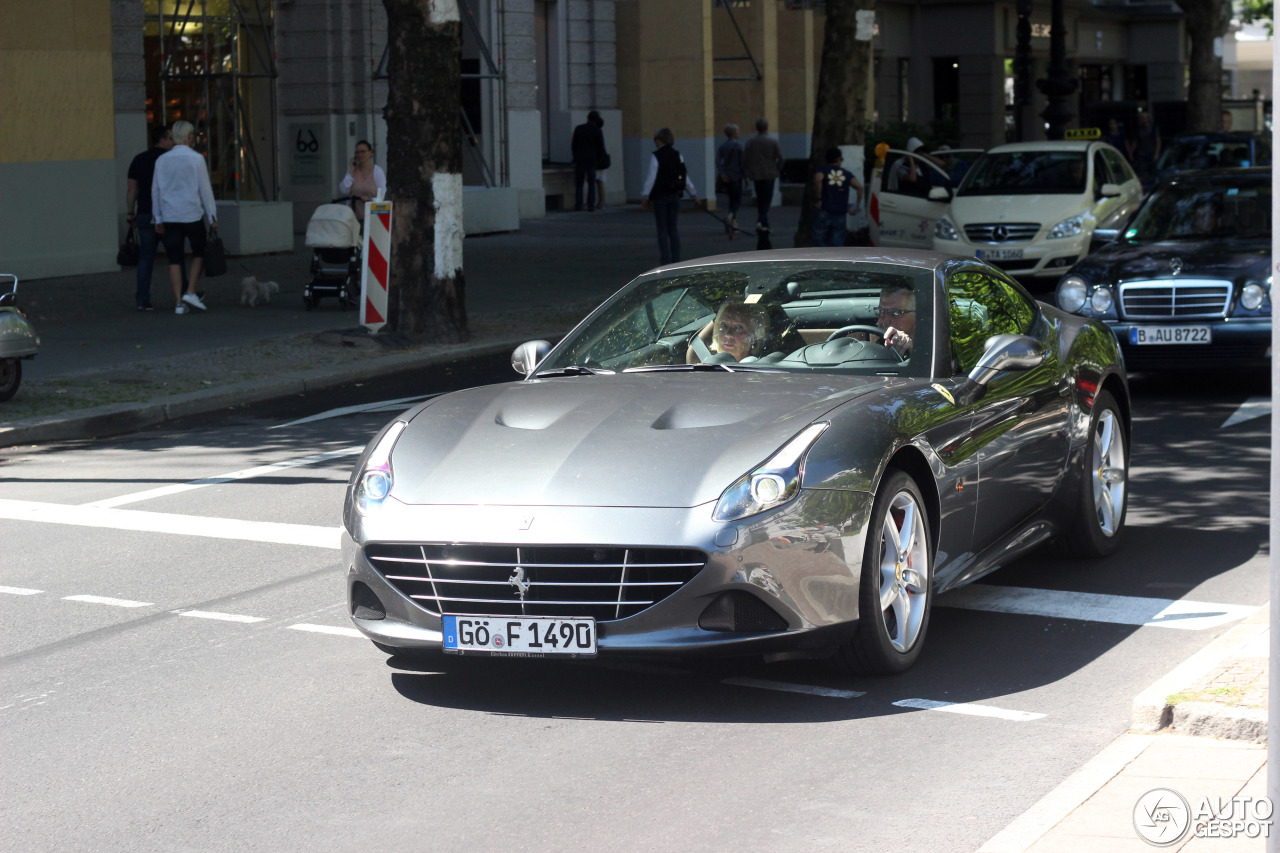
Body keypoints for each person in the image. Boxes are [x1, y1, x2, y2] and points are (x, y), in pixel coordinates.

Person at [152, 120, 218, 315]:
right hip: (191, 213)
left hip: (170, 214)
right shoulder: (196, 159)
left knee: (174, 258)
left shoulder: (162, 160)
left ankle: (179, 302)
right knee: (199, 252)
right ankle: (190, 291)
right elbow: (205, 190)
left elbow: (155, 190)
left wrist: (157, 218)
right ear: (189, 137)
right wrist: (212, 215)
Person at [125, 125, 175, 311]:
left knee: (146, 259)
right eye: (171, 138)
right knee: (175, 257)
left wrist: (130, 213)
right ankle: (185, 292)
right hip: (168, 214)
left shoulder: (139, 159)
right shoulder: (169, 160)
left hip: (145, 213)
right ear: (163, 139)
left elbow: (132, 190)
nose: (173, 142)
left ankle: (142, 300)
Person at [641, 127, 697, 266]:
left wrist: (645, 195)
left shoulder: (656, 156)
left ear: (660, 140)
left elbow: (651, 178)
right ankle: (676, 259)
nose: (655, 143)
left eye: (655, 140)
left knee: (662, 229)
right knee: (673, 228)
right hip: (674, 195)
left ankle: (665, 260)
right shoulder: (678, 155)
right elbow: (685, 177)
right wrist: (693, 193)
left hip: (660, 196)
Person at [811, 147, 863, 247]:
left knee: (819, 236)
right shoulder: (846, 174)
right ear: (839, 159)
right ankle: (836, 259)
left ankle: (823, 257)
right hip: (840, 210)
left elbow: (818, 180)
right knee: (837, 240)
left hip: (824, 208)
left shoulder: (822, 170)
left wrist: (819, 198)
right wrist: (856, 206)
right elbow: (859, 187)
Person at [742, 117, 784, 234]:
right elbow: (781, 157)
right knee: (767, 197)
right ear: (767, 127)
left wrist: (747, 171)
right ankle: (762, 220)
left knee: (760, 197)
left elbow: (744, 159)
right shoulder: (773, 141)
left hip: (756, 174)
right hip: (770, 173)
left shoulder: (751, 142)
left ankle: (762, 220)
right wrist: (778, 168)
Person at [338, 140, 386, 221]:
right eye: (357, 152)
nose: (360, 155)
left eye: (363, 152)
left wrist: (370, 200)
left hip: (372, 216)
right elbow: (344, 190)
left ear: (370, 153)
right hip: (353, 215)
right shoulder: (353, 170)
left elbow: (382, 194)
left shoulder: (377, 171)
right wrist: (351, 172)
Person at [571, 110, 607, 212]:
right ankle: (591, 205)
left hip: (580, 159)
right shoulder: (597, 131)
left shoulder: (579, 129)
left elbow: (574, 145)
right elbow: (600, 147)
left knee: (579, 183)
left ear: (587, 118)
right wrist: (599, 160)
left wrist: (575, 156)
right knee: (591, 183)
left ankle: (578, 204)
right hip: (592, 160)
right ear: (596, 120)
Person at [716, 123, 745, 237]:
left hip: (726, 176)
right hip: (737, 176)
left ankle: (734, 224)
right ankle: (730, 217)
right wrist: (746, 176)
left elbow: (718, 161)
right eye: (737, 131)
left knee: (731, 199)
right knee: (737, 200)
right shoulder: (740, 146)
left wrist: (722, 173)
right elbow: (743, 162)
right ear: (734, 133)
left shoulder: (722, 146)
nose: (739, 133)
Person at [878, 283, 916, 356]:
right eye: (881, 311)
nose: (884, 321)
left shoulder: (933, 345)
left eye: (895, 313)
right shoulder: (874, 342)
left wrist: (912, 353)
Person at [1127, 111, 1161, 184]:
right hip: (1141, 153)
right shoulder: (1139, 129)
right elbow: (1135, 142)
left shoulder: (1153, 128)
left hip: (1151, 152)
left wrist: (1157, 153)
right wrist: (1130, 152)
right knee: (1142, 172)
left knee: (1153, 173)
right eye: (1142, 118)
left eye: (1146, 117)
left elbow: (1158, 141)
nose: (1144, 119)